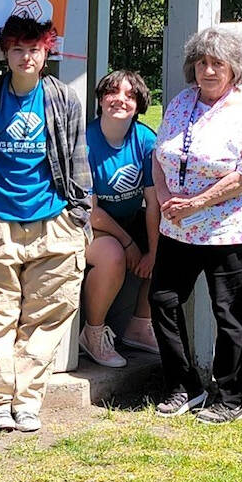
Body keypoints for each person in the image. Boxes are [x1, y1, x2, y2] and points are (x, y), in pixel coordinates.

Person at [0, 15, 90, 434]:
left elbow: (78, 159)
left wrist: (79, 215)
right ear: (6, 53)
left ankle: (28, 402)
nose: (26, 57)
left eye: (34, 49)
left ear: (47, 52)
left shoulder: (64, 99)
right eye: (17, 49)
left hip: (54, 222)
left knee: (45, 320)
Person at [149, 27, 242, 425]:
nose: (209, 70)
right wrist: (165, 199)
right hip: (177, 227)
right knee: (163, 300)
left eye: (218, 63)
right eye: (202, 62)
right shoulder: (181, 102)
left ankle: (231, 397)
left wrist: (197, 203)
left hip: (227, 229)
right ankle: (184, 386)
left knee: (227, 313)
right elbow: (160, 156)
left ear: (234, 69)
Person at [79, 70, 160, 368]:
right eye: (112, 92)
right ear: (101, 100)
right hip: (88, 225)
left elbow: (153, 204)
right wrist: (128, 244)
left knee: (169, 246)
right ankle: (92, 334)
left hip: (128, 220)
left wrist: (152, 253)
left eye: (130, 95)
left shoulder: (146, 140)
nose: (120, 100)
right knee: (112, 254)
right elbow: (90, 211)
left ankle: (140, 325)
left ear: (139, 105)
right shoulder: (85, 141)